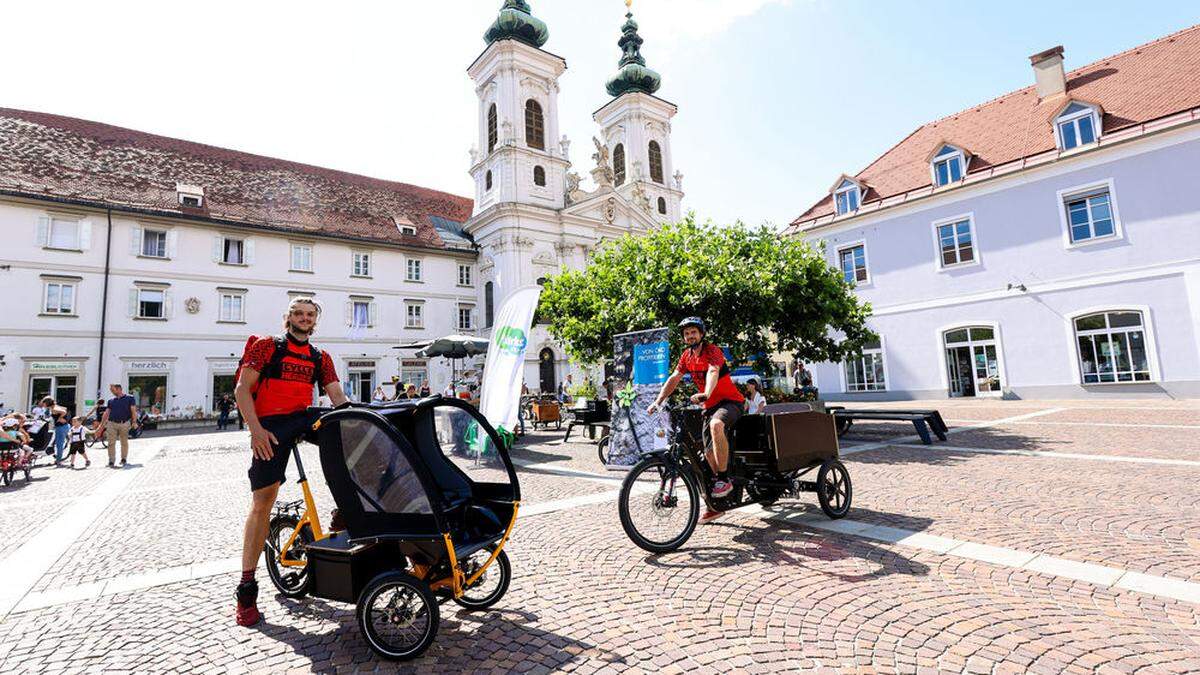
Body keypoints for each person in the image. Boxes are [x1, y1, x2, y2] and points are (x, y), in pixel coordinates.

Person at [234, 296, 346, 628]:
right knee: (262, 502)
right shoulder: (268, 346)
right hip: (269, 426)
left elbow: (337, 397)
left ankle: (343, 510)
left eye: (309, 314)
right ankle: (246, 587)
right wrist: (255, 431)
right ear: (289, 317)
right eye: (298, 313)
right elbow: (242, 389)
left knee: (347, 431)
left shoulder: (319, 356)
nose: (303, 318)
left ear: (315, 320)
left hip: (303, 418)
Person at [647, 317, 745, 523]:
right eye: (686, 333)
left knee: (716, 424)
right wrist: (658, 402)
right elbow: (673, 378)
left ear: (701, 334)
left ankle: (724, 479)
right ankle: (716, 505)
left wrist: (707, 393)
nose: (690, 336)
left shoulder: (712, 351)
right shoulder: (686, 356)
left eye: (693, 332)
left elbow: (713, 371)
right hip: (709, 406)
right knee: (707, 455)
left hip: (730, 402)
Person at [98, 384, 138, 468]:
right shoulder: (111, 401)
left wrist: (134, 422)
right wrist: (101, 425)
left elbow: (133, 411)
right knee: (111, 442)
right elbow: (106, 413)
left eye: (113, 390)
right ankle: (111, 460)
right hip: (112, 423)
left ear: (119, 389)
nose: (112, 392)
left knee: (124, 442)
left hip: (124, 423)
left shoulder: (130, 398)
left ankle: (123, 458)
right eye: (111, 390)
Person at [46, 398, 70, 466]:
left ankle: (58, 461)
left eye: (44, 403)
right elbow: (65, 409)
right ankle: (58, 459)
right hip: (63, 426)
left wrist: (60, 418)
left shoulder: (54, 409)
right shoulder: (56, 407)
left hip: (61, 427)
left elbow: (64, 412)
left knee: (59, 444)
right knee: (58, 443)